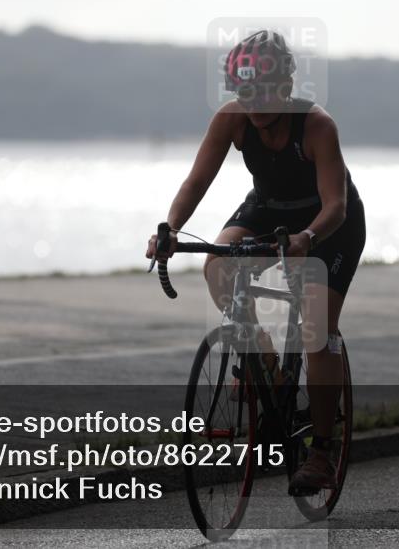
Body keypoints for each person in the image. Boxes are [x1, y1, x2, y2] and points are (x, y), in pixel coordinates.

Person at [145, 30, 366, 493]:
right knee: (217, 263)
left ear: (287, 86)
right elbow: (196, 182)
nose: (256, 102)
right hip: (268, 206)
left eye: (265, 91)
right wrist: (169, 229)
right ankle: (264, 357)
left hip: (327, 221)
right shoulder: (232, 120)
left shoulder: (317, 126)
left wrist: (307, 238)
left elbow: (336, 206)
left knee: (317, 329)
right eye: (245, 92)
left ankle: (321, 451)